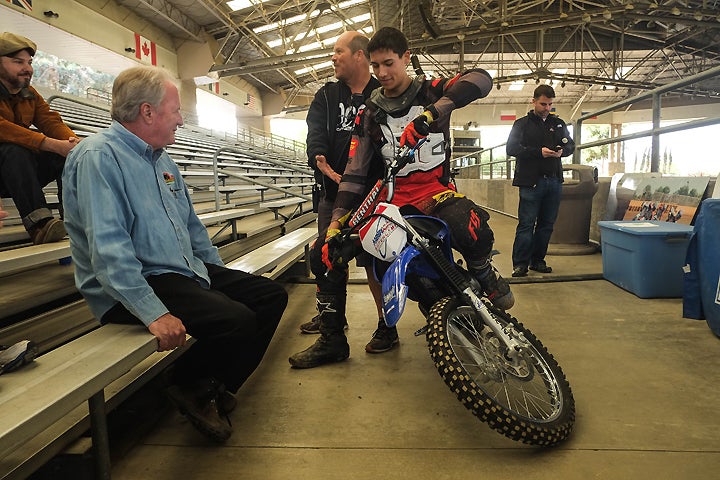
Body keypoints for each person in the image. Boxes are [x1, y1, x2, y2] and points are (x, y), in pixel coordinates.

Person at [62, 66, 288, 443]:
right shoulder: (98, 157)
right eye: (176, 110)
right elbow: (108, 250)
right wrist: (154, 312)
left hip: (181, 273)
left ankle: (207, 386)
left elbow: (193, 229)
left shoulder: (162, 160)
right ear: (148, 112)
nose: (181, 119)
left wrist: (218, 278)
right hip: (134, 284)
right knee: (236, 320)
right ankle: (189, 384)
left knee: (269, 296)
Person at [289, 26, 514, 369]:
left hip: (436, 193)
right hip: (392, 201)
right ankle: (333, 339)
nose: (382, 74)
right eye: (377, 66)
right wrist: (337, 223)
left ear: (407, 58)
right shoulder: (370, 112)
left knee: (465, 223)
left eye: (389, 64)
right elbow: (354, 171)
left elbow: (482, 79)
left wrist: (433, 114)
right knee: (325, 252)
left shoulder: (432, 91)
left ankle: (484, 272)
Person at [303, 31, 389, 350]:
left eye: (339, 51)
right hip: (332, 195)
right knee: (327, 258)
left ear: (359, 55)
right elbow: (314, 135)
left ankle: (386, 325)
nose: (333, 57)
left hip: (373, 198)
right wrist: (320, 160)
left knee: (374, 263)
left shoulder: (383, 94)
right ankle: (331, 323)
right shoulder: (326, 95)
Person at [0, 32, 79, 244]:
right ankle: (40, 225)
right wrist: (49, 143)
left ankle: (75, 220)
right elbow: (3, 129)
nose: (27, 68)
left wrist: (74, 144)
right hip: (7, 167)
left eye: (29, 62)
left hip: (19, 172)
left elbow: (51, 122)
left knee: (66, 156)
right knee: (13, 150)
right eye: (18, 62)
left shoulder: (29, 93)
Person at [506, 84, 575, 277]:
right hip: (531, 182)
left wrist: (563, 151)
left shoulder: (559, 124)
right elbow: (511, 148)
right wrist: (538, 152)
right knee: (527, 224)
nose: (547, 108)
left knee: (546, 224)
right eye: (543, 104)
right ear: (534, 101)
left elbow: (571, 145)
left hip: (554, 181)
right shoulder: (521, 124)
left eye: (550, 104)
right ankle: (520, 264)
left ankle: (538, 260)